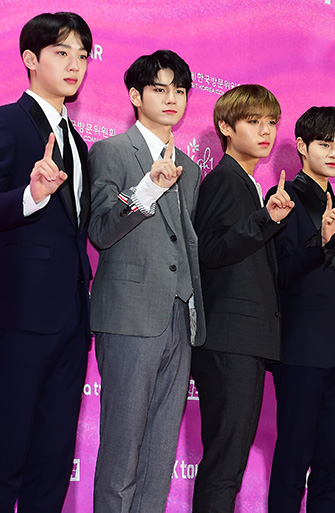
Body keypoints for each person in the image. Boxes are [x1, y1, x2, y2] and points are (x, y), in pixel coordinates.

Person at [88, 50, 206, 513]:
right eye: (159, 89)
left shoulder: (192, 169)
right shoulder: (112, 151)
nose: (172, 98)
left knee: (161, 450)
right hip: (129, 316)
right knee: (123, 445)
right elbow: (100, 230)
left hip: (180, 317)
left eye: (179, 90)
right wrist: (147, 190)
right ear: (136, 95)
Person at [0, 12, 93, 512]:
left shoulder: (77, 142)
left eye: (82, 55)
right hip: (19, 320)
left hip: (73, 322)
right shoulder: (7, 123)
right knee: (6, 453)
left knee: (53, 460)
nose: (75, 65)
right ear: (30, 60)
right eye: (62, 53)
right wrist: (30, 196)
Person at [191, 84, 293, 513]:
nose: (266, 131)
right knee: (224, 464)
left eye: (271, 122)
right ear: (225, 127)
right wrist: (264, 221)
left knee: (229, 464)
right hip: (230, 340)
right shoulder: (224, 181)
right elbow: (210, 250)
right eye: (254, 122)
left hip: (246, 341)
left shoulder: (249, 184)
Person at [267, 106, 335, 512]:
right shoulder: (284, 200)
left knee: (331, 465)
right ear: (303, 147)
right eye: (326, 144)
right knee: (293, 460)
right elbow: (281, 273)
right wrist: (318, 245)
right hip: (301, 351)